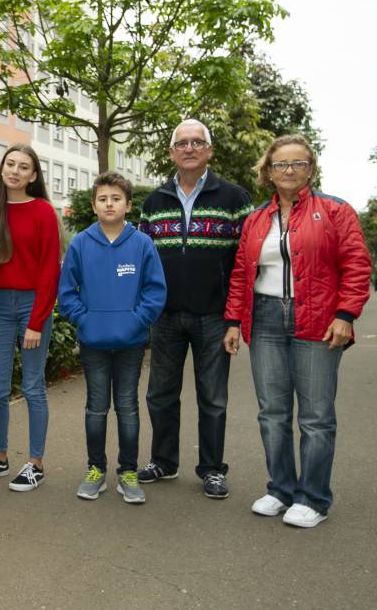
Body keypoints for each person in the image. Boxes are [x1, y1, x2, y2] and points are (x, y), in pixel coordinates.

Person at [223, 134, 371, 528]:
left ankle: (314, 498)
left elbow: (357, 265)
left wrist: (346, 314)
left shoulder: (336, 211)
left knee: (316, 415)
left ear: (311, 168)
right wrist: (234, 321)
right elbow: (241, 274)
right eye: (280, 164)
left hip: (319, 320)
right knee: (272, 412)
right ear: (268, 171)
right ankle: (281, 489)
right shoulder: (256, 219)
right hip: (266, 318)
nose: (289, 171)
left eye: (298, 163)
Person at [137, 119, 252, 499]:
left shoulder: (235, 199)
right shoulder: (154, 202)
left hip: (214, 316)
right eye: (182, 143)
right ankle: (164, 461)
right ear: (171, 152)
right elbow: (141, 261)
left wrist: (235, 317)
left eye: (197, 142)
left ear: (209, 151)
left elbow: (245, 263)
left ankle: (212, 469)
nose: (189, 148)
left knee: (213, 397)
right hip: (165, 316)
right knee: (160, 394)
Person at [59, 172, 167, 504]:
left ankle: (128, 472)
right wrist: (85, 320)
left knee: (127, 407)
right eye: (103, 198)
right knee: (96, 408)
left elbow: (155, 291)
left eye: (116, 198)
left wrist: (138, 322)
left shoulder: (142, 243)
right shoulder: (80, 242)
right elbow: (67, 293)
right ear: (94, 205)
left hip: (130, 343)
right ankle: (96, 470)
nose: (109, 203)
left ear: (128, 205)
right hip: (93, 342)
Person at [0, 145, 60, 492]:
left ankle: (35, 462)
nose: (15, 171)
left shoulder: (43, 211)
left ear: (33, 176)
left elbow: (50, 269)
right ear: (2, 168)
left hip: (31, 305)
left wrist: (38, 320)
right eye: (10, 164)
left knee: (34, 386)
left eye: (24, 167)